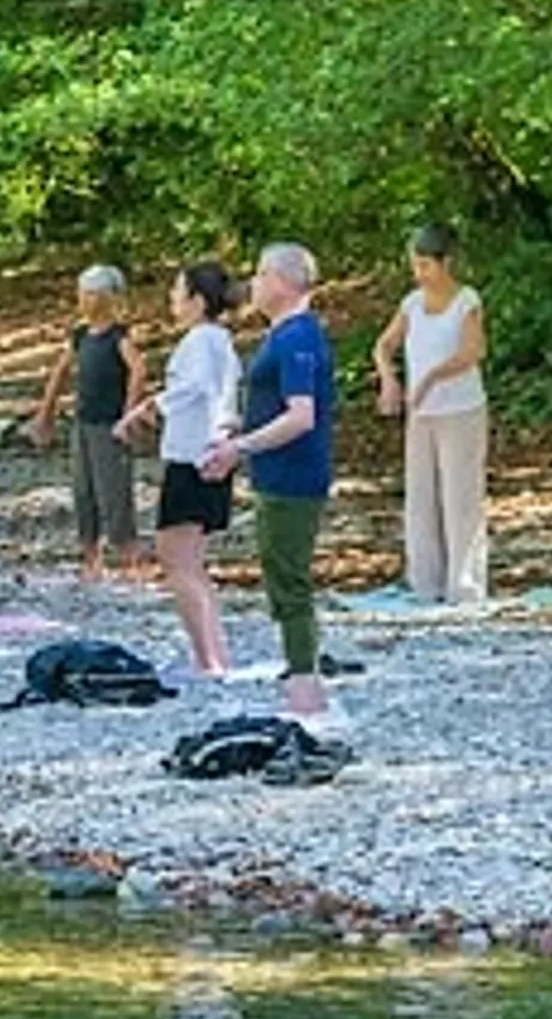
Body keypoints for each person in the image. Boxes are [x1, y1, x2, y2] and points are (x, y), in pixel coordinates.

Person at [198, 243, 339, 723]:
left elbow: (301, 416)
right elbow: (271, 407)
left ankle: (306, 686)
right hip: (272, 472)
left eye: (259, 274)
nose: (253, 284)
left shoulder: (298, 336)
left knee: (289, 579)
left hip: (294, 475)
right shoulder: (279, 336)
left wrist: (242, 448)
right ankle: (299, 678)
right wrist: (236, 436)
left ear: (283, 280)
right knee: (279, 574)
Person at [122, 261, 243, 677]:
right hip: (208, 452)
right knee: (191, 560)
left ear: (196, 300)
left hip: (194, 458)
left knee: (176, 556)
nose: (172, 300)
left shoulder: (201, 341)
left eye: (177, 292)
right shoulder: (220, 341)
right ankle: (211, 654)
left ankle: (209, 660)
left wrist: (149, 407)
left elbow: (193, 388)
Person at [372, 223, 490, 605]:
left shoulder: (466, 300)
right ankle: (425, 581)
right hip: (422, 414)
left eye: (426, 265)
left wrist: (431, 378)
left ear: (446, 263)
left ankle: (465, 583)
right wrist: (390, 379)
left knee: (460, 496)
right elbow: (384, 345)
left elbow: (473, 352)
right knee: (421, 494)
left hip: (461, 409)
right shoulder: (410, 303)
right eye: (415, 265)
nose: (419, 273)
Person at [27, 264, 149, 582]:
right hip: (82, 423)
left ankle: (129, 558)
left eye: (94, 293)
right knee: (83, 490)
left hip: (109, 424)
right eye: (83, 293)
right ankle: (91, 558)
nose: (86, 300)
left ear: (110, 298)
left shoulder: (118, 336)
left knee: (114, 491)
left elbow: (138, 370)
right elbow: (60, 372)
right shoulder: (80, 336)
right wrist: (46, 412)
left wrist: (129, 411)